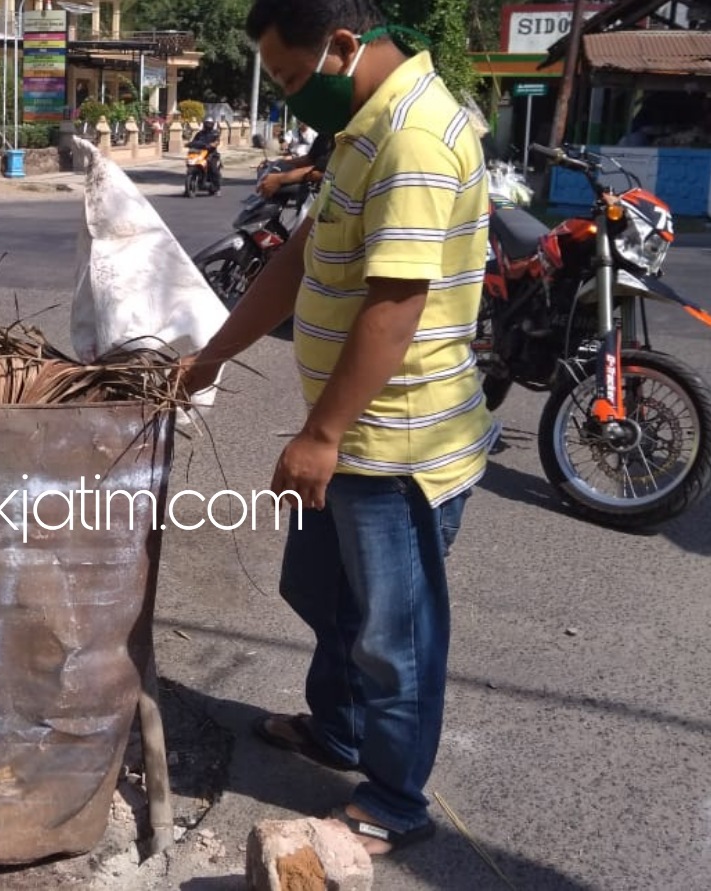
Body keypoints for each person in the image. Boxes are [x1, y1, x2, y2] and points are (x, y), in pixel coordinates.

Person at [176, 0, 495, 857]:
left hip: (395, 443)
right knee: (319, 591)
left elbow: (396, 304)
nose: (288, 99)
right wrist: (212, 353)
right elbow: (298, 259)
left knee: (395, 633)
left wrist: (320, 434)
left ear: (344, 45)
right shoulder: (364, 125)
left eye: (288, 78)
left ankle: (394, 797)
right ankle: (339, 730)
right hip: (352, 437)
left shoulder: (414, 137)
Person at [257, 130, 334, 199]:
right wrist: (277, 163)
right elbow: (310, 159)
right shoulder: (326, 134)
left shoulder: (342, 137)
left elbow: (322, 172)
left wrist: (279, 179)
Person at [187, 118, 224, 194]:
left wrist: (213, 144)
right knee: (191, 162)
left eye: (210, 123)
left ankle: (217, 188)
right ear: (204, 124)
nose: (208, 125)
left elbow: (217, 141)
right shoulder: (200, 133)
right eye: (207, 123)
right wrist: (189, 144)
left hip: (211, 154)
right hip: (200, 153)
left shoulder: (215, 133)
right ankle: (188, 187)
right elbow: (194, 141)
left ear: (212, 124)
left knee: (213, 169)